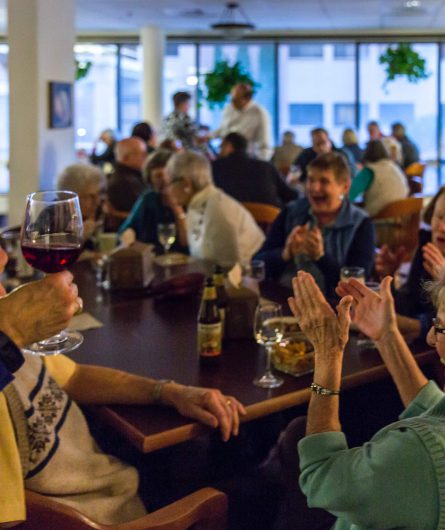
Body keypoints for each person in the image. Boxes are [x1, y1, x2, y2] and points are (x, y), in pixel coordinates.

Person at [0, 250, 245, 526]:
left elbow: (74, 377)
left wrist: (170, 392)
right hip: (111, 517)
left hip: (113, 475)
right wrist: (10, 332)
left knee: (210, 449)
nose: (3, 258)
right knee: (254, 488)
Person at [271, 269, 445, 529]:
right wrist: (387, 336)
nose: (431, 337)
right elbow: (434, 408)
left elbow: (322, 476)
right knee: (297, 433)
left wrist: (328, 354)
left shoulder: (418, 454)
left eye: (440, 327)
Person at [255, 152, 375, 298]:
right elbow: (257, 265)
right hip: (285, 301)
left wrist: (321, 258)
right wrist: (285, 253)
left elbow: (357, 286)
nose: (314, 188)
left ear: (344, 187)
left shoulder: (361, 224)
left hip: (334, 309)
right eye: (311, 180)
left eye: (324, 182)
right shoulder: (291, 212)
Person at [168, 150, 265, 268]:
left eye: (170, 183)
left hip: (248, 280)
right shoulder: (196, 205)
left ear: (186, 184)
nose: (168, 190)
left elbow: (230, 268)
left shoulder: (218, 209)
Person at [375, 185, 445, 341]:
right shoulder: (427, 244)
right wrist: (388, 275)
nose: (442, 227)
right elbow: (409, 305)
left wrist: (443, 283)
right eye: (439, 216)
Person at [118, 150, 188, 253]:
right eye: (158, 176)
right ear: (150, 179)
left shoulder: (187, 199)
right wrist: (128, 235)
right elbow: (125, 229)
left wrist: (177, 210)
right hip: (151, 258)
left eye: (168, 174)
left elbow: (186, 243)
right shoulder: (148, 199)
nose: (164, 180)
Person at [212, 132, 299, 208]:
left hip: (230, 222)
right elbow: (290, 195)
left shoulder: (215, 167)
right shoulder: (266, 167)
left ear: (229, 146)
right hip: (268, 223)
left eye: (221, 147)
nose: (219, 152)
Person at [349, 139, 409, 216]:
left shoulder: (369, 171)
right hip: (403, 218)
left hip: (380, 219)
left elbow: (349, 194)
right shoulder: (394, 167)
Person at [213, 83, 272, 161]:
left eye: (235, 99)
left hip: (248, 161)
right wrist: (210, 136)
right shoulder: (229, 108)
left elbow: (264, 145)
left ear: (247, 99)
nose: (232, 102)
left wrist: (261, 166)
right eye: (232, 98)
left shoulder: (260, 114)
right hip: (227, 159)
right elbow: (223, 129)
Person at [57, 163, 105, 248]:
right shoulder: (55, 218)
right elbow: (54, 256)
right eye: (91, 196)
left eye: (99, 194)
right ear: (71, 197)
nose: (97, 202)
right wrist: (79, 238)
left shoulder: (95, 214)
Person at [107, 137, 147, 212]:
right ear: (126, 157)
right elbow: (142, 213)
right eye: (142, 154)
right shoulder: (125, 182)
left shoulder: (131, 176)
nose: (146, 157)